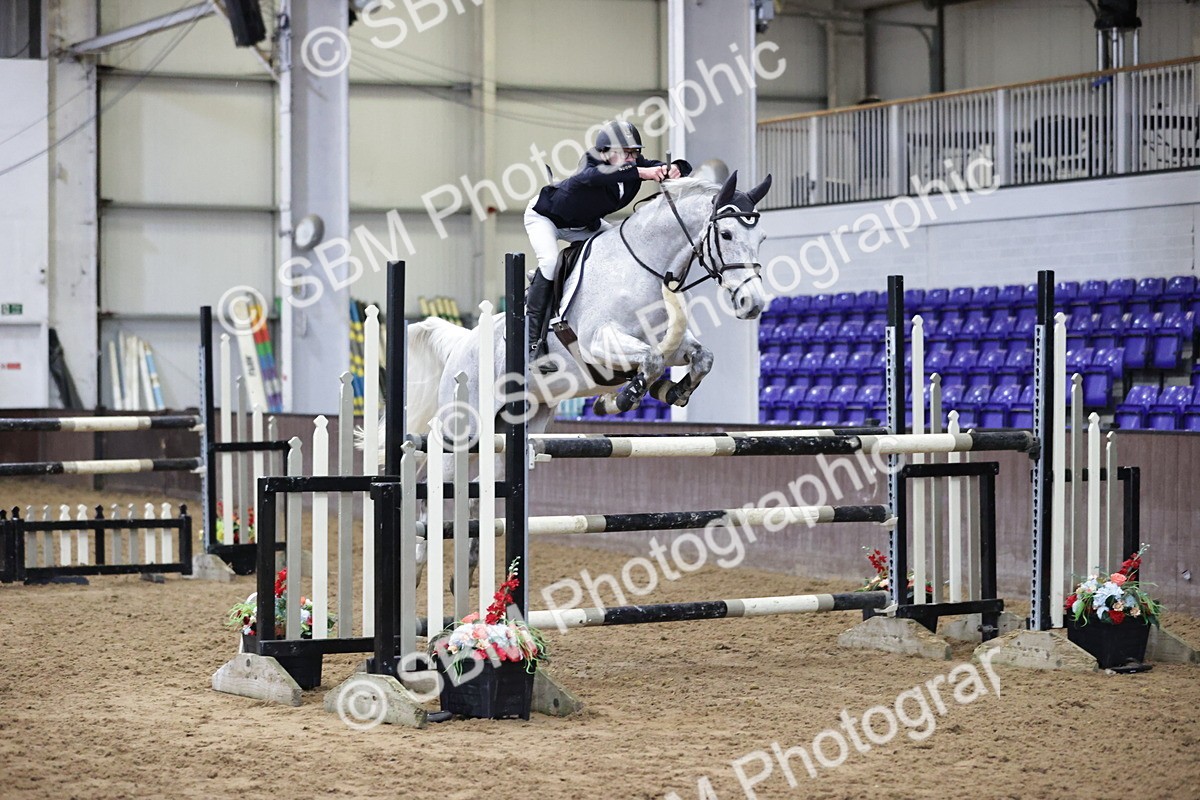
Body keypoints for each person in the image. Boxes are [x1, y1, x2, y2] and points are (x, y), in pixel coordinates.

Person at [523, 120, 692, 367]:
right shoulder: (591, 165)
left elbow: (658, 166)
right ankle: (533, 344)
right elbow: (594, 177)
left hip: (585, 225)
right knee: (549, 262)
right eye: (627, 153)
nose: (633, 158)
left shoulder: (632, 165)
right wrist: (641, 173)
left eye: (635, 153)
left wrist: (676, 167)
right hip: (546, 218)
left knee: (618, 247)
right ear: (606, 152)